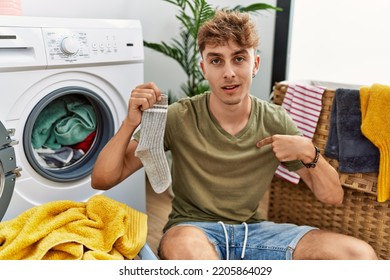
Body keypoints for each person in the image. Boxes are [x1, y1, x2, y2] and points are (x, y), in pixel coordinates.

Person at [91, 10, 377, 260]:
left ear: (255, 64)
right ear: (204, 68)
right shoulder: (180, 116)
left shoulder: (276, 120)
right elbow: (102, 178)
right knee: (185, 247)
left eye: (238, 59)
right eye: (216, 61)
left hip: (254, 233)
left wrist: (308, 152)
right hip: (193, 230)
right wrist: (129, 123)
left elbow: (332, 196)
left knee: (358, 255)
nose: (229, 72)